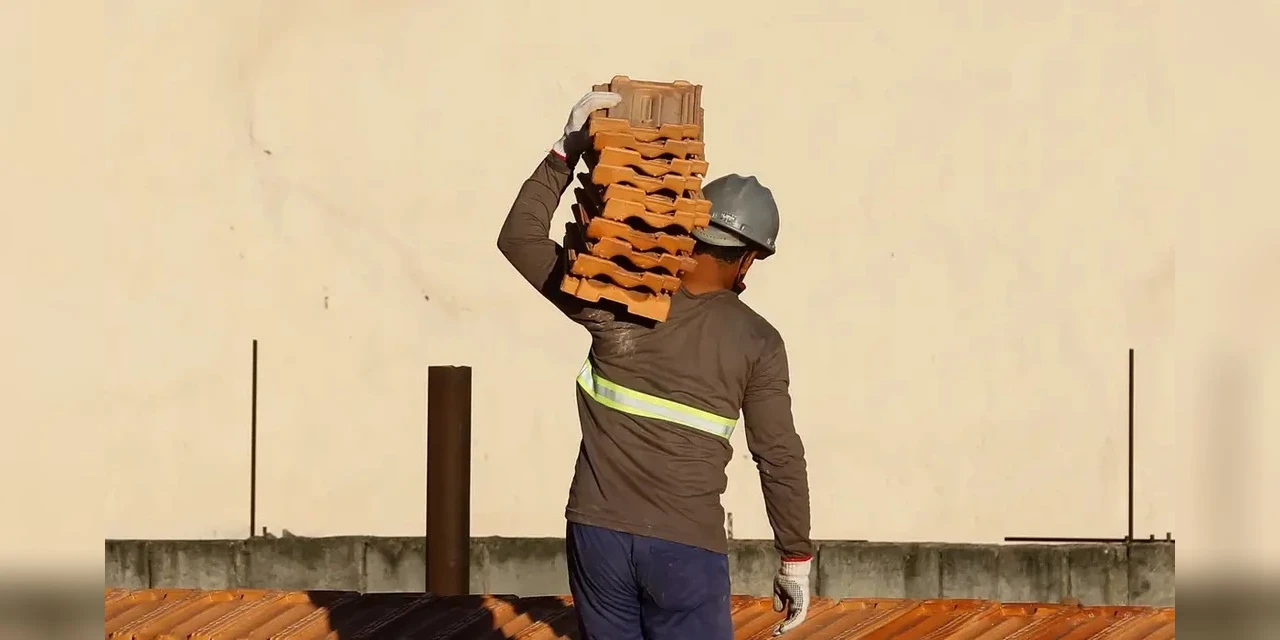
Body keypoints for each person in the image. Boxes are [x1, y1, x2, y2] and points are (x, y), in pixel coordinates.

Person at [497, 91, 813, 639]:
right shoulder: (758, 342)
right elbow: (778, 455)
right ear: (746, 259)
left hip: (597, 536)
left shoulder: (615, 298)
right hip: (685, 551)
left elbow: (519, 238)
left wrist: (565, 152)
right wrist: (795, 559)